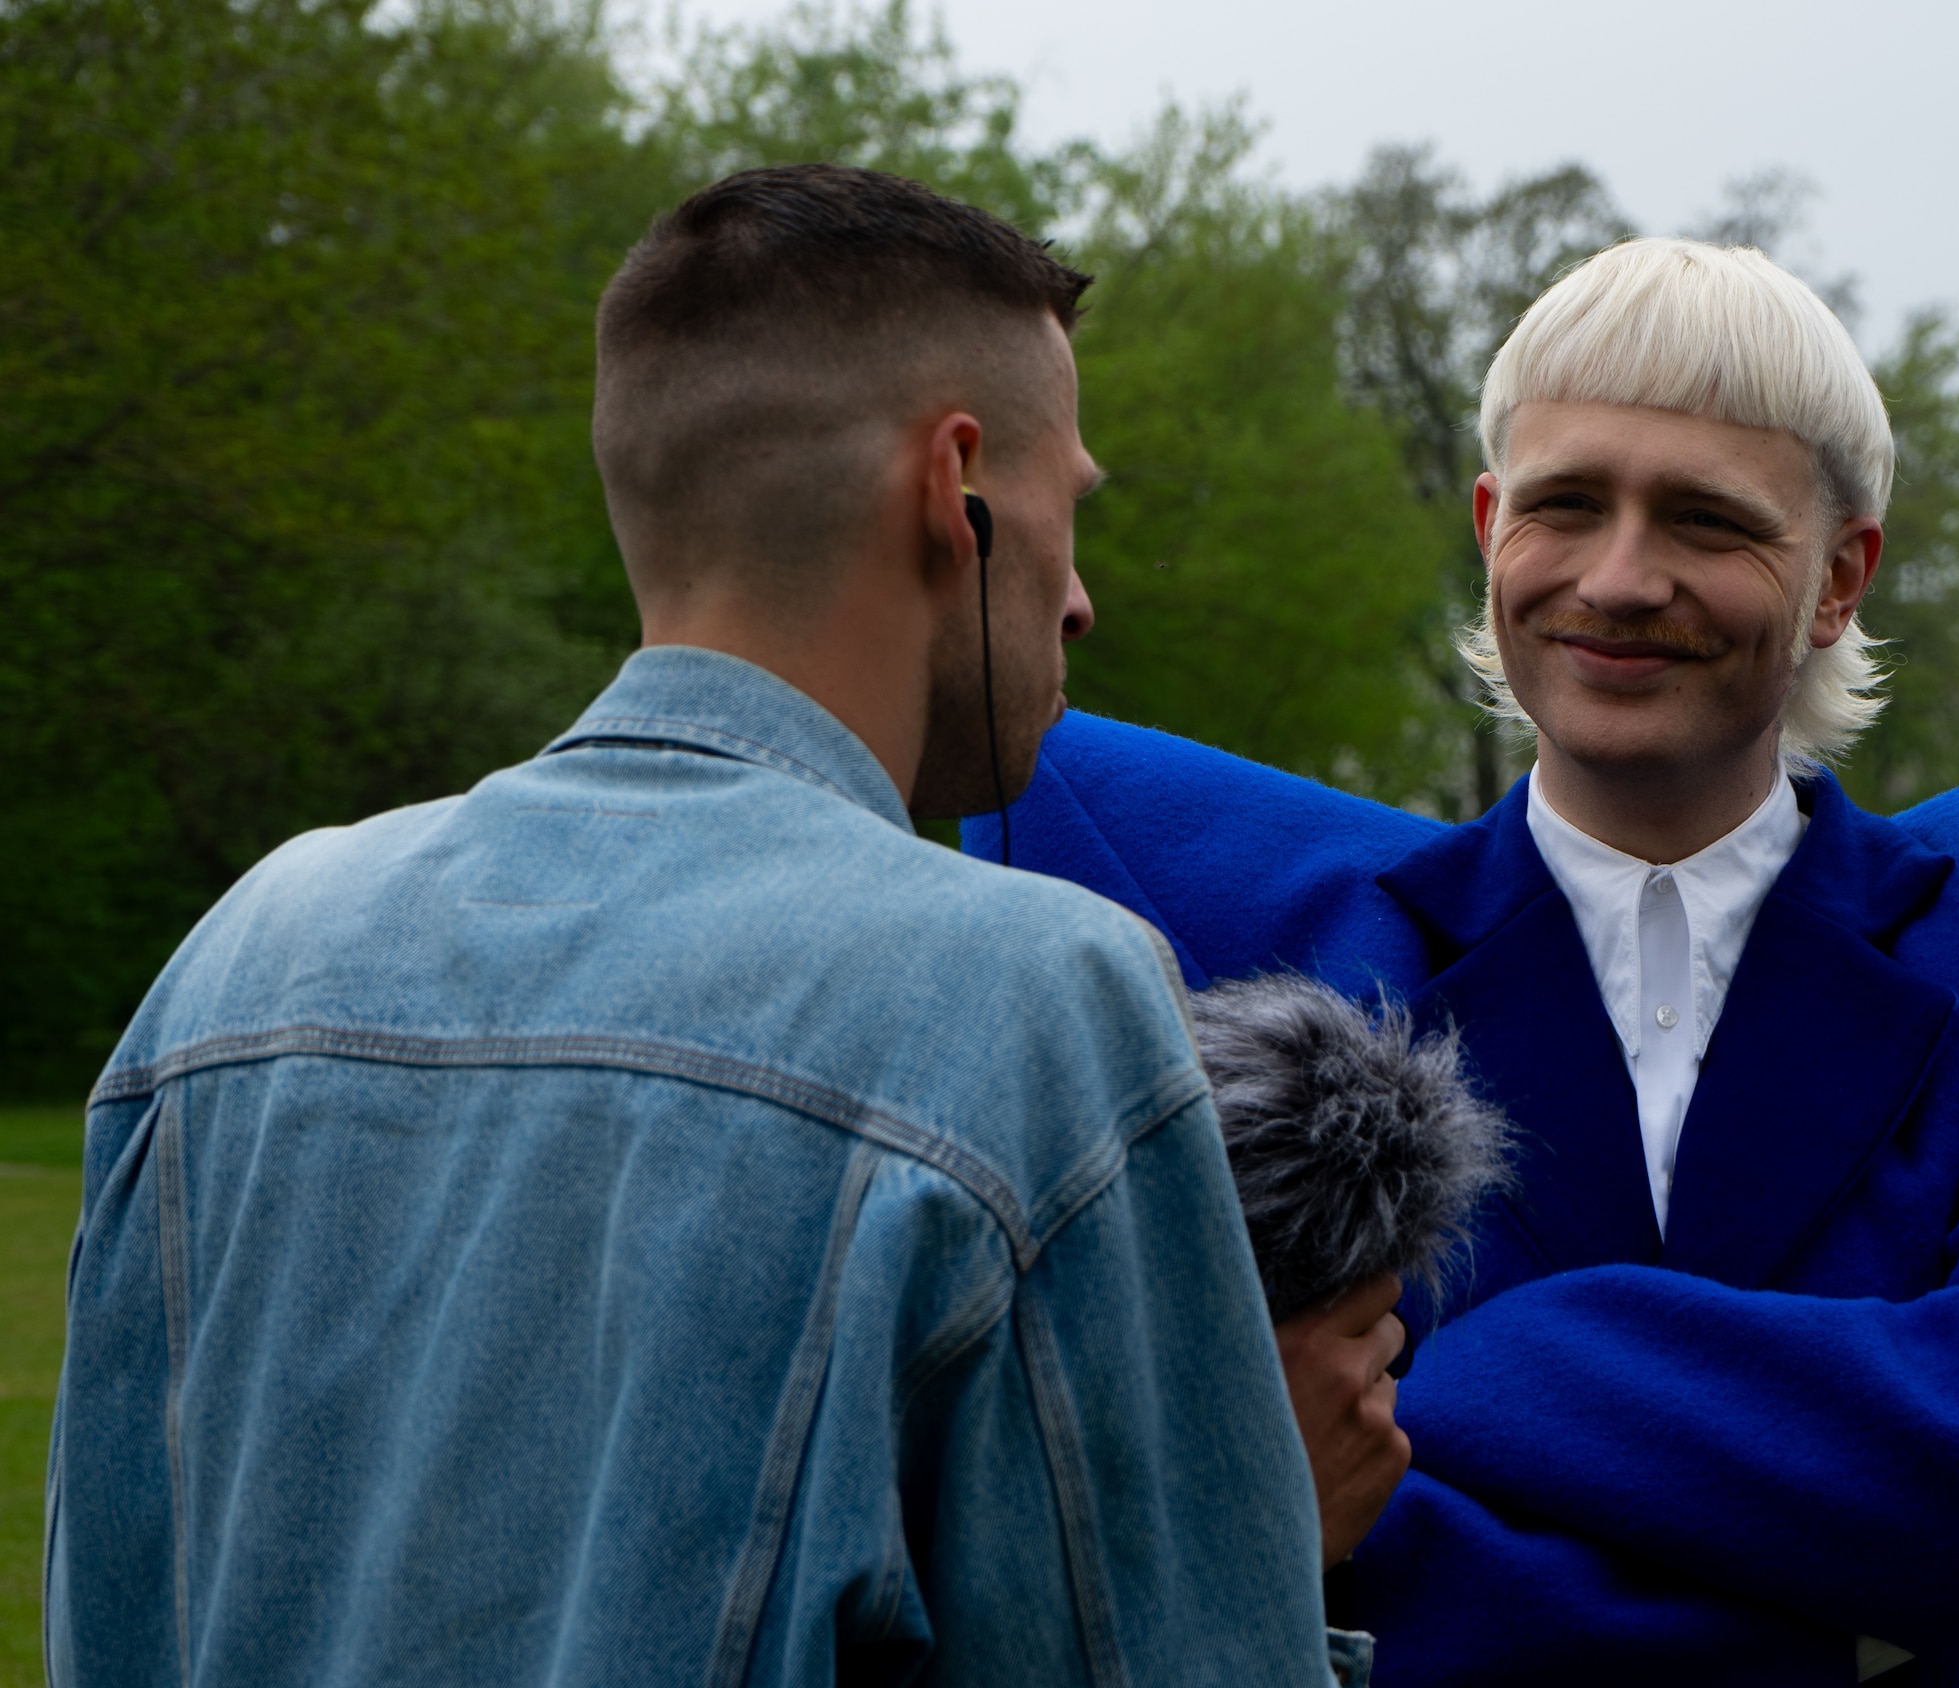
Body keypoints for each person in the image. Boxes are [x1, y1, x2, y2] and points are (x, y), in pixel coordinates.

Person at [965, 238, 1959, 1685]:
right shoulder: (1252, 933)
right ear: (1488, 529)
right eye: (1566, 505)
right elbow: (1062, 1497)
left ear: (1841, 576)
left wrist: (1442, 1393)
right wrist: (1851, 1615)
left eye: (1709, 524)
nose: (1620, 576)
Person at [46, 164, 1404, 1687]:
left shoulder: (240, 955)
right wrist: (1262, 1522)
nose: (1079, 596)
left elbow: (114, 1622)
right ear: (950, 491)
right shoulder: (1034, 990)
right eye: (1063, 509)